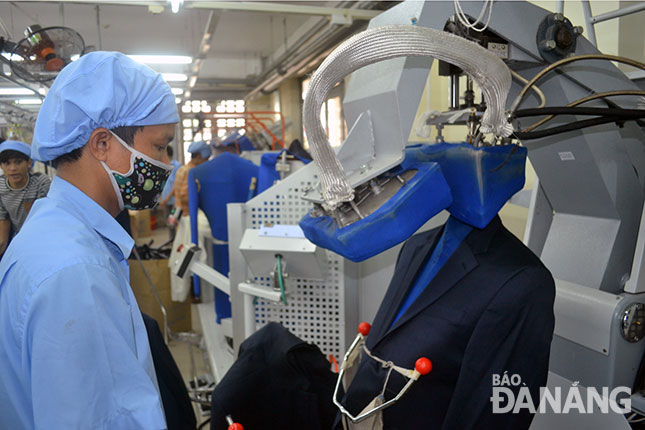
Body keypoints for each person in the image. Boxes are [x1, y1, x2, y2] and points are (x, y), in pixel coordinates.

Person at [0, 52, 178, 429]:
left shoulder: (57, 233)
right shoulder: (77, 273)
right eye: (160, 147)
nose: (165, 164)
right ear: (102, 144)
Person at [165, 140, 210, 302]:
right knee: (194, 257)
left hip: (183, 217)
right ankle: (195, 293)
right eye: (205, 159)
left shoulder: (182, 169)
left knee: (183, 255)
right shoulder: (191, 172)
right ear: (197, 157)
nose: (206, 163)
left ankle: (189, 293)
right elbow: (185, 196)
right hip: (189, 218)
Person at [0, 140, 51, 256]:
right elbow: (3, 222)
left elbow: (43, 219)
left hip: (41, 237)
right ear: (1, 166)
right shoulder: (1, 187)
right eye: (7, 163)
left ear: (29, 163)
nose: (13, 168)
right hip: (16, 239)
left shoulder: (40, 183)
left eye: (18, 162)